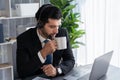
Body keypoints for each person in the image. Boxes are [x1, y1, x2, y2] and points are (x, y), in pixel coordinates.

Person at [16, 4, 75, 79]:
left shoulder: (62, 33)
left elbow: (70, 60)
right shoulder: (24, 39)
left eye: (58, 26)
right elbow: (22, 72)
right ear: (40, 24)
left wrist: (57, 70)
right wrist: (43, 53)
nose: (56, 31)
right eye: (52, 27)